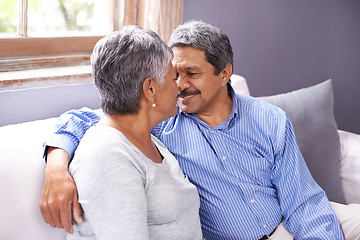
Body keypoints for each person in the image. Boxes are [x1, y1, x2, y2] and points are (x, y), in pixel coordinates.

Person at [40, 21, 344, 239]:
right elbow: (89, 119)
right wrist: (56, 167)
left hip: (283, 228)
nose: (181, 84)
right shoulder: (158, 123)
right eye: (175, 74)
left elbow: (303, 201)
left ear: (224, 73)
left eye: (191, 73)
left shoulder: (269, 120)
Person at [49, 25, 203, 239]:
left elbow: (79, 118)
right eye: (173, 78)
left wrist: (55, 165)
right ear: (150, 89)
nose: (179, 86)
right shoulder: (108, 155)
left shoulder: (144, 135)